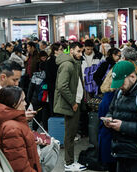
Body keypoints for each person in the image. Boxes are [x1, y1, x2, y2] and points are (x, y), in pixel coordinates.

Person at [0, 86, 41, 172]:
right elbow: (19, 167)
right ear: (14, 103)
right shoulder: (12, 128)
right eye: (22, 100)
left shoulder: (8, 120)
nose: (25, 103)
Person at [54, 42, 86, 171]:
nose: (80, 54)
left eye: (81, 51)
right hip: (71, 104)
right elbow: (62, 86)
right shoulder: (68, 65)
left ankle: (70, 161)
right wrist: (73, 102)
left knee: (71, 134)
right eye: (78, 51)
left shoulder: (74, 63)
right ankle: (69, 163)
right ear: (71, 50)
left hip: (75, 102)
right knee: (70, 135)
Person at [45, 43, 63, 116]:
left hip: (59, 88)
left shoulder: (61, 60)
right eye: (61, 49)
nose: (63, 51)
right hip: (54, 89)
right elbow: (50, 77)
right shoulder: (50, 61)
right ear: (55, 51)